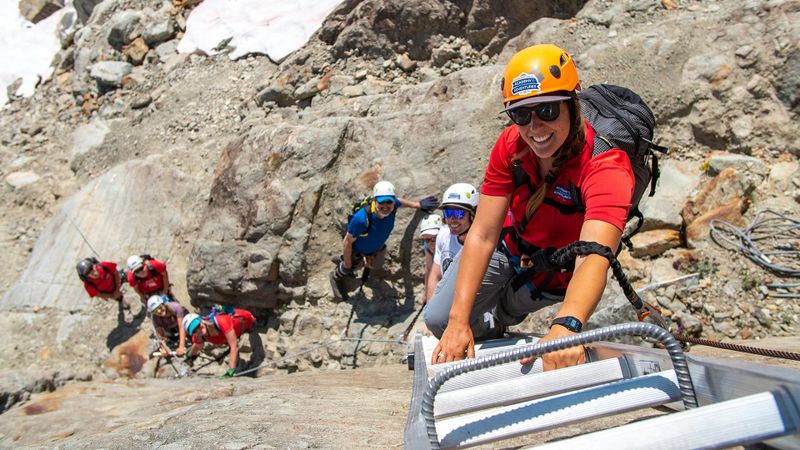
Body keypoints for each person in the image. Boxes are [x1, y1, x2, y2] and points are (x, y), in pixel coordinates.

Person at [425, 44, 635, 371]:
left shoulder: (606, 166)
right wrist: (457, 321)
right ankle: (492, 321)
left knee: (508, 307)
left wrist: (566, 327)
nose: (535, 128)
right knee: (438, 319)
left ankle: (505, 316)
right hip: (511, 248)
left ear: (571, 105)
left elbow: (594, 254)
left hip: (554, 271)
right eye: (521, 114)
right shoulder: (511, 145)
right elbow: (482, 234)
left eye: (548, 110)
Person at [329, 180, 438, 301]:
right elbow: (347, 242)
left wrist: (417, 205)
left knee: (376, 265)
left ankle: (342, 258)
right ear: (375, 201)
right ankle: (336, 276)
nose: (386, 207)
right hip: (359, 249)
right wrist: (347, 264)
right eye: (381, 203)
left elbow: (399, 202)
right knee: (350, 267)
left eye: (389, 203)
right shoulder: (361, 219)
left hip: (376, 248)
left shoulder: (393, 204)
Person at [424, 183, 479, 304]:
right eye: (448, 213)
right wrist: (431, 309)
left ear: (473, 215)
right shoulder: (443, 235)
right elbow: (435, 276)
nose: (452, 219)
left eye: (459, 213)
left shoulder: (482, 246)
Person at [183, 308, 256, 379]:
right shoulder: (199, 335)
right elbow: (198, 345)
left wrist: (230, 371)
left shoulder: (221, 321)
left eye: (197, 325)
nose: (198, 330)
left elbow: (234, 347)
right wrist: (189, 356)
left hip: (248, 320)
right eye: (194, 331)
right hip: (236, 332)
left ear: (202, 320)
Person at [418, 214, 443, 300]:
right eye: (427, 240)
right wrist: (426, 291)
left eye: (434, 239)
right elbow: (429, 269)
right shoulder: (427, 246)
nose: (430, 244)